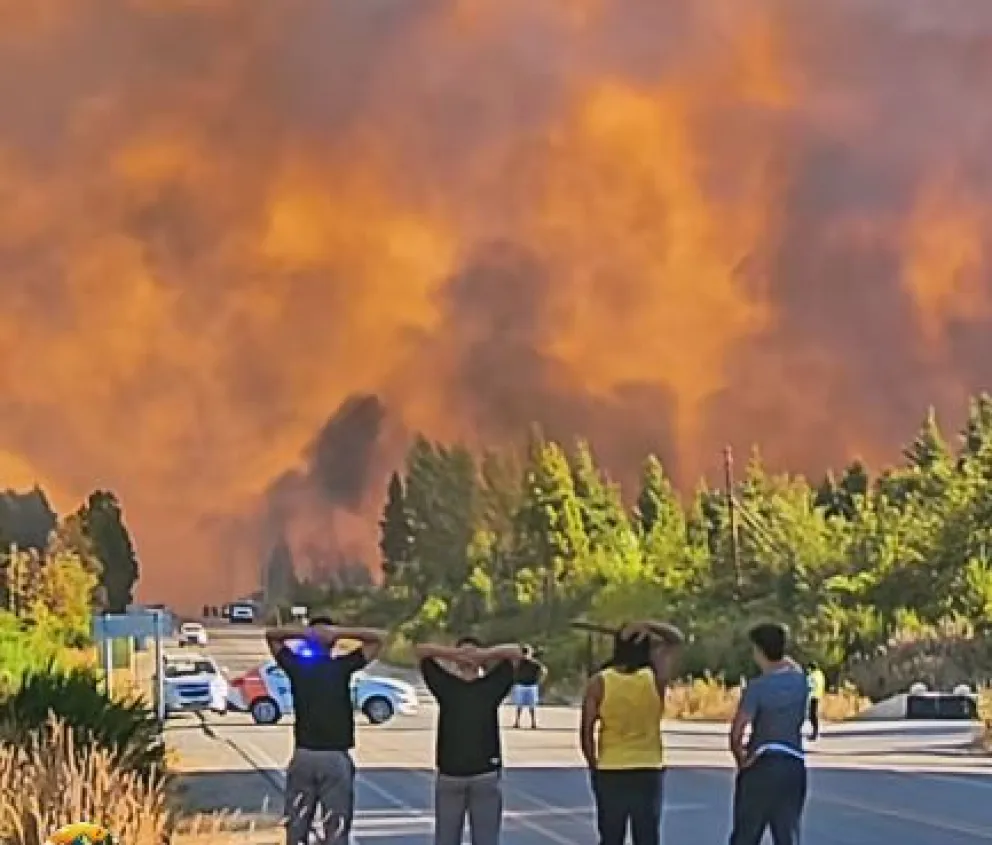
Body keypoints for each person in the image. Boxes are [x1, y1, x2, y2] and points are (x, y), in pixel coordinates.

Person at [265, 615, 386, 845]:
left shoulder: (299, 666)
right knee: (336, 827)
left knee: (297, 823)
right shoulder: (340, 666)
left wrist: (310, 634)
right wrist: (338, 632)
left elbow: (273, 637)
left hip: (305, 754)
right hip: (333, 756)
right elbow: (376, 640)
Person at [580, 619, 685, 845]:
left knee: (611, 836)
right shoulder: (655, 678)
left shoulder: (599, 682)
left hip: (611, 768)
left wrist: (593, 764)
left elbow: (586, 730)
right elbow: (675, 638)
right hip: (648, 768)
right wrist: (647, 624)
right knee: (647, 836)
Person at [415, 636, 524, 845]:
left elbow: (516, 652)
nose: (467, 657)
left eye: (471, 653)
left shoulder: (492, 686)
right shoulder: (445, 685)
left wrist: (484, 655)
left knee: (486, 838)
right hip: (450, 774)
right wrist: (453, 654)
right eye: (462, 653)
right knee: (446, 838)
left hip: (485, 774)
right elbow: (421, 650)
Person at [728, 622, 809, 845]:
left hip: (762, 764)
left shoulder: (757, 687)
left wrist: (741, 757)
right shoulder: (801, 682)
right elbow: (795, 667)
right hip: (793, 764)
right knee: (787, 834)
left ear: (758, 650)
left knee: (746, 833)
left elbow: (737, 732)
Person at [512, 645, 547, 729]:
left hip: (529, 685)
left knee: (531, 706)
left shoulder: (534, 663)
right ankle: (517, 722)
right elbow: (544, 671)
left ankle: (532, 722)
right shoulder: (519, 663)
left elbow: (544, 670)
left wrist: (540, 680)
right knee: (520, 705)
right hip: (522, 685)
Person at [806, 662, 825, 741]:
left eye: (808, 668)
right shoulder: (820, 674)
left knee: (812, 716)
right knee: (813, 715)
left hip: (813, 696)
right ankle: (815, 733)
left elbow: (809, 685)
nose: (807, 669)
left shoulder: (812, 675)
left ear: (811, 668)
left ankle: (815, 734)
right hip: (818, 695)